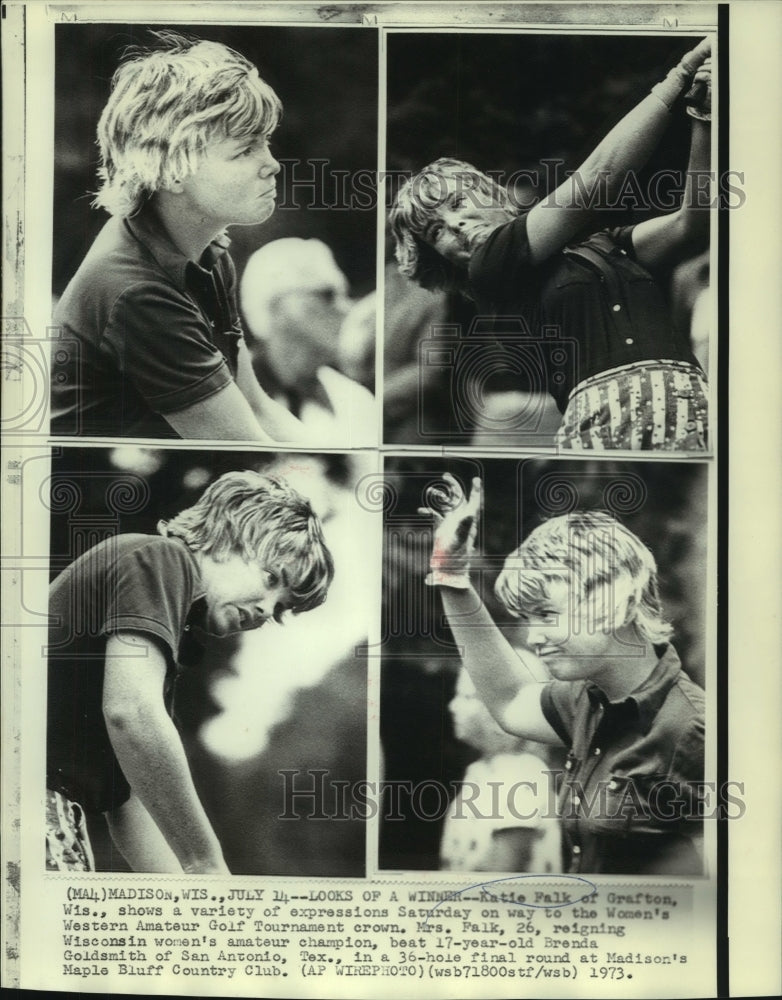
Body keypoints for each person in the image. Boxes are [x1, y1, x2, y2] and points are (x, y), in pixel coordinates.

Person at [389, 40, 713, 450]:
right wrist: (681, 75)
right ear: (439, 256)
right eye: (436, 232)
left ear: (490, 194)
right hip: (607, 424)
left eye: (457, 203)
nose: (456, 224)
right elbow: (598, 179)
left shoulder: (601, 245)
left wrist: (704, 114)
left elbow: (693, 225)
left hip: (690, 405)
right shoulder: (489, 269)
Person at [46, 471, 334, 873]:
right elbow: (132, 713)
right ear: (226, 533)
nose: (267, 610)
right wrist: (206, 861)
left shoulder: (156, 646)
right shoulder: (164, 558)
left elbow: (131, 802)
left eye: (281, 609)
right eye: (271, 578)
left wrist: (195, 902)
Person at [419, 474, 704, 875]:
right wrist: (451, 575)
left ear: (615, 601)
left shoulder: (694, 730)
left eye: (547, 614)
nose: (534, 637)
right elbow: (509, 700)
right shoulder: (586, 702)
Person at [51, 32, 310, 442]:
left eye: (267, 143)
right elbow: (247, 447)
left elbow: (258, 408)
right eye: (245, 150)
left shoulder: (207, 252)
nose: (272, 164)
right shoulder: (134, 291)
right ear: (170, 169)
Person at [240, 238, 376, 445]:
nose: (345, 308)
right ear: (280, 306)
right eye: (328, 295)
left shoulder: (356, 402)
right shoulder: (228, 397)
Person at [440, 668, 561, 873]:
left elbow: (506, 864)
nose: (452, 706)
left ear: (502, 709)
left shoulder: (520, 771)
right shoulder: (484, 770)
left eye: (466, 697)